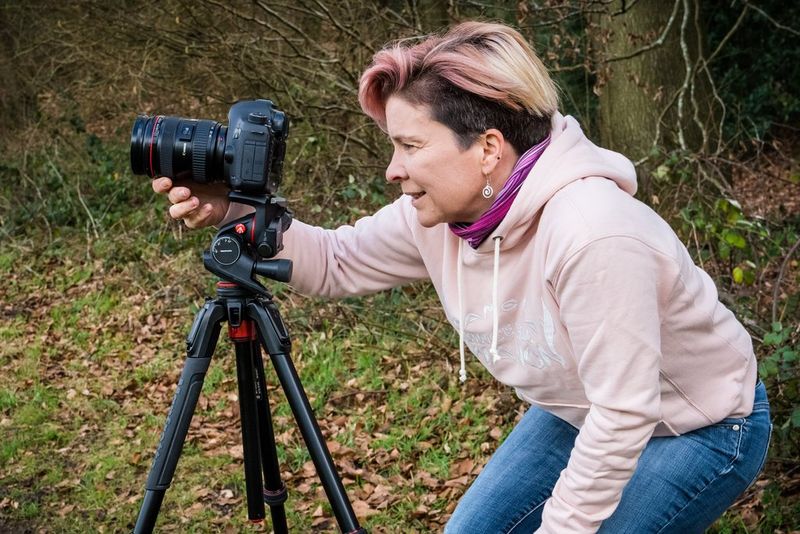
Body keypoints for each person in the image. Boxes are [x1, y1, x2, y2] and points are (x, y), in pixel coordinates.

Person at [152, 21, 771, 534]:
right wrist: (232, 212)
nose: (393, 169)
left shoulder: (593, 233)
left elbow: (624, 410)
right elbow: (337, 262)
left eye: (411, 146)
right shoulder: (443, 213)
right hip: (579, 409)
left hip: (703, 425)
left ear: (488, 149)